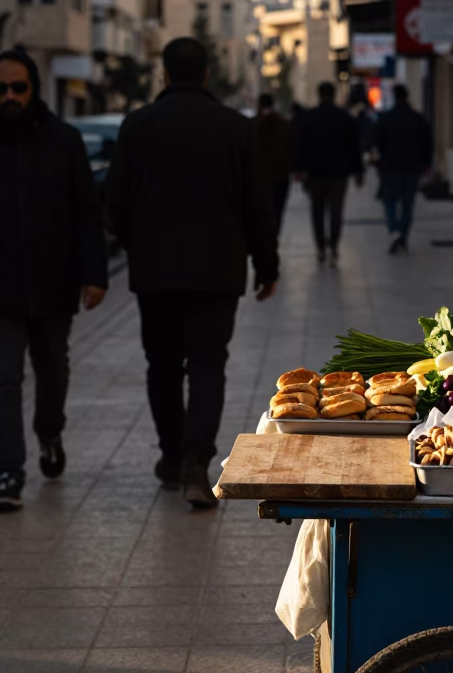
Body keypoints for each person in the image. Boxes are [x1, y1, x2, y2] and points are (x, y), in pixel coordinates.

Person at [107, 37, 278, 510]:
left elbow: (115, 200)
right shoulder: (235, 127)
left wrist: (137, 244)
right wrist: (267, 265)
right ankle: (196, 462)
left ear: (164, 73)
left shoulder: (137, 125)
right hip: (216, 269)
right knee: (207, 364)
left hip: (155, 270)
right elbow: (257, 204)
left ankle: (171, 455)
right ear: (206, 74)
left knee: (162, 365)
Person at [0, 48, 108, 512]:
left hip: (52, 280)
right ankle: (9, 471)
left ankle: (49, 432)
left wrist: (94, 274)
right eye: (1, 88)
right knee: (5, 379)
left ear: (33, 89)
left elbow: (86, 211)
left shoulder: (63, 141)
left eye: (17, 87)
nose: (9, 96)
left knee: (52, 372)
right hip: (3, 287)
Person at [297, 81, 362, 267]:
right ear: (333, 95)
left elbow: (301, 145)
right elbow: (354, 147)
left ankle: (320, 247)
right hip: (339, 173)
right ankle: (333, 245)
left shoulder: (310, 117)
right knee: (336, 210)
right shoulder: (344, 117)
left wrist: (300, 169)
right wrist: (358, 171)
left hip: (315, 173)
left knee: (317, 210)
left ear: (319, 94)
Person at [375, 83, 433, 254]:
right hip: (412, 167)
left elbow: (377, 142)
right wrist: (426, 163)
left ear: (394, 97)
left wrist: (380, 162)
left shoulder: (386, 118)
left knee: (390, 202)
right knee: (408, 204)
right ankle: (403, 234)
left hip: (390, 167)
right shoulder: (417, 119)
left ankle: (394, 230)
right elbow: (427, 143)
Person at [254, 92, 294, 238]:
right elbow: (292, 148)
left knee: (259, 212)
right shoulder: (284, 124)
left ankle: (263, 238)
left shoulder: (252, 124)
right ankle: (272, 238)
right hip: (280, 175)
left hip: (258, 177)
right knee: (277, 211)